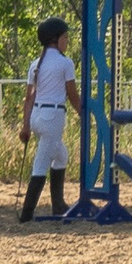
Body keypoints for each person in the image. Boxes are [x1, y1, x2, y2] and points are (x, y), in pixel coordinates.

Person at [19, 18, 80, 222]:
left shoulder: (35, 64)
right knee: (41, 162)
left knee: (61, 155)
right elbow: (72, 94)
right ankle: (27, 212)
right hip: (53, 116)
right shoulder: (65, 63)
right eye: (65, 37)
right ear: (55, 39)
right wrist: (83, 112)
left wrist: (26, 125)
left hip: (37, 116)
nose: (67, 41)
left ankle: (58, 204)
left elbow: (29, 98)